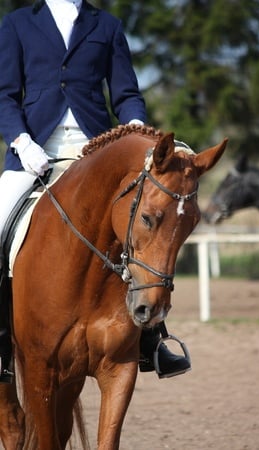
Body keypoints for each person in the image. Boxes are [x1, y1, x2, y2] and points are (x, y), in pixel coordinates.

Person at [0, 0, 191, 383]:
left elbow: (126, 94)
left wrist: (135, 130)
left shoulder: (107, 25)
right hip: (35, 151)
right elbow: (5, 95)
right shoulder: (18, 23)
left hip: (98, 152)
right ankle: (3, 342)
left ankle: (152, 339)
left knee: (141, 226)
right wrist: (22, 142)